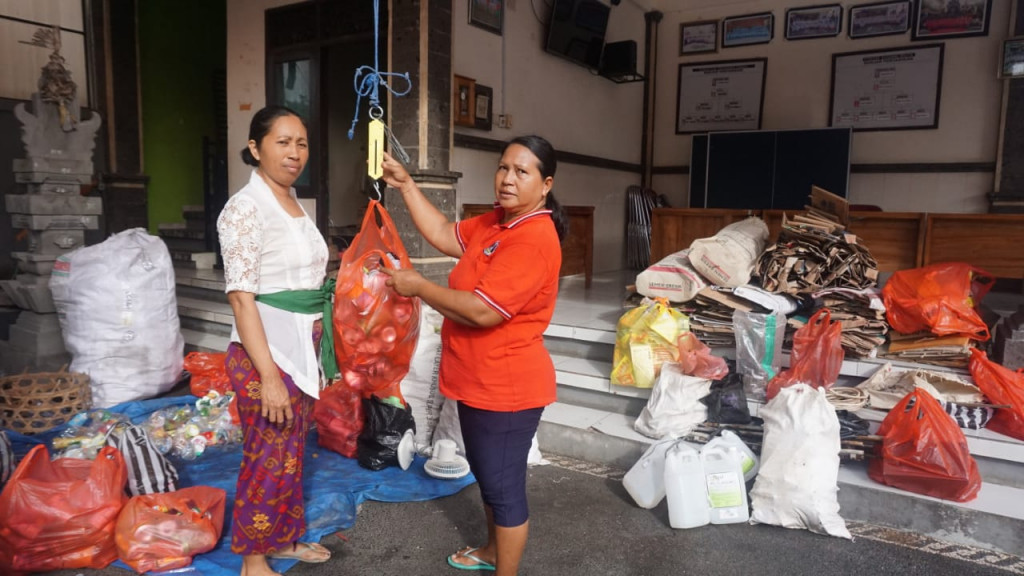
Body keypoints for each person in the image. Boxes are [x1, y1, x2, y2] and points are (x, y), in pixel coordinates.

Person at [378, 135, 568, 575]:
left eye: (522, 171)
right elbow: (445, 234)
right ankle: (490, 550)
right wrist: (406, 185)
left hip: (508, 386)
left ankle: (506, 569)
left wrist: (420, 286)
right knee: (489, 478)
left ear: (545, 185)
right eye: (504, 168)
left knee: (504, 489)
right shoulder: (498, 223)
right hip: (478, 380)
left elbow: (484, 311)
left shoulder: (535, 238)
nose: (507, 178)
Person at [217, 105, 336, 576]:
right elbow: (242, 298)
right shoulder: (245, 209)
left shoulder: (292, 203)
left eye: (301, 143)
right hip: (265, 353)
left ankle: (281, 540)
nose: (294, 153)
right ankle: (253, 560)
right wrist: (268, 375)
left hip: (301, 348)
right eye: (283, 142)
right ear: (255, 148)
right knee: (267, 456)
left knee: (290, 454)